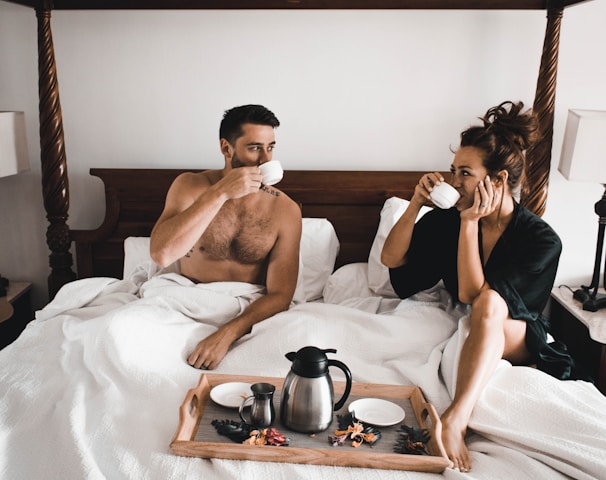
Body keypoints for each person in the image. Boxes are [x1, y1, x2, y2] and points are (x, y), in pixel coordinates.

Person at [381, 101, 567, 472]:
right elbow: (391, 259)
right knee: (485, 306)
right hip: (481, 318)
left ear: (497, 181)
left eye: (464, 173)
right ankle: (455, 419)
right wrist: (417, 202)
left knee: (490, 305)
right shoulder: (448, 220)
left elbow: (472, 297)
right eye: (453, 171)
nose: (453, 182)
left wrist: (469, 224)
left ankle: (456, 417)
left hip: (518, 335)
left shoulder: (541, 241)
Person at [150, 104, 302, 370]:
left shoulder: (286, 210)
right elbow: (162, 253)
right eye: (255, 148)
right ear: (226, 148)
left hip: (248, 316)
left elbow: (280, 295)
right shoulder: (190, 186)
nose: (266, 159)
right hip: (185, 306)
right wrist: (220, 193)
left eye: (271, 147)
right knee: (117, 336)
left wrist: (227, 334)